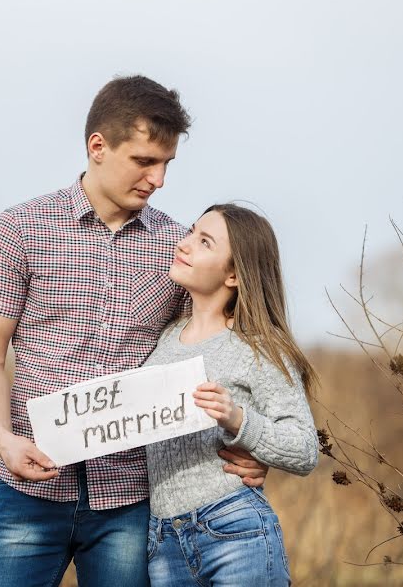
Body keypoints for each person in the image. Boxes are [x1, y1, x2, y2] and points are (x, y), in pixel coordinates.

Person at [0, 76, 269, 587]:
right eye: (145, 161)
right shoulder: (20, 228)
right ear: (98, 147)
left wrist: (254, 446)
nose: (159, 179)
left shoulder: (179, 249)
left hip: (130, 498)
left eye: (167, 164)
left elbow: (222, 347)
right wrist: (3, 439)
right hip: (28, 493)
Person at [144, 204, 319, 586]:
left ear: (235, 275)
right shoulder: (165, 339)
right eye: (191, 232)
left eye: (204, 242)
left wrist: (239, 420)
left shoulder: (257, 347)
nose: (185, 244)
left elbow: (305, 449)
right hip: (163, 541)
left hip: (233, 529)